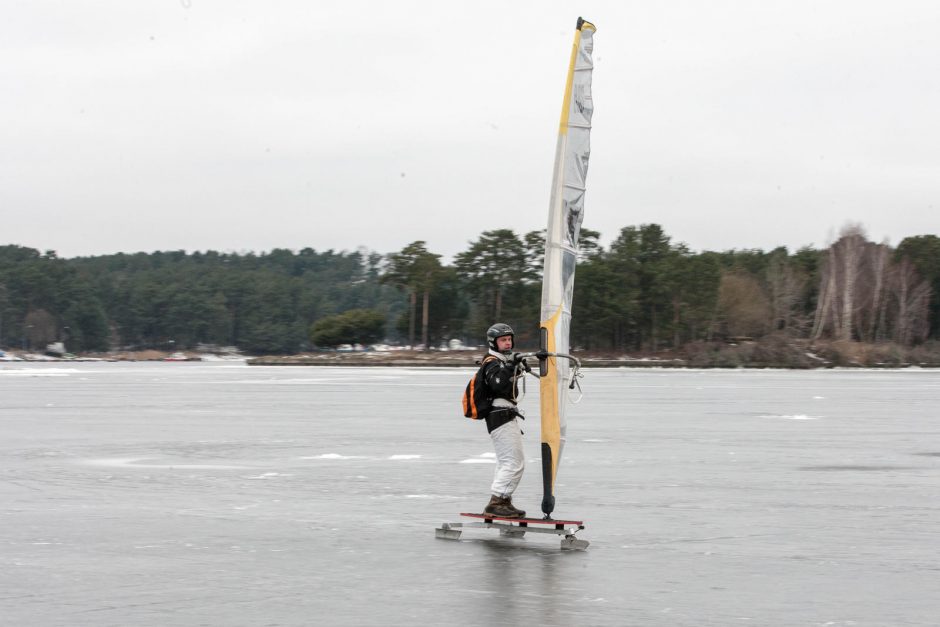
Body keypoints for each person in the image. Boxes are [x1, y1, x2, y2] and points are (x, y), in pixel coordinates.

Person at [477, 322, 531, 518]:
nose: (508, 343)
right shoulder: (491, 362)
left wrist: (520, 363)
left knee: (506, 462)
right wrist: (510, 365)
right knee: (515, 462)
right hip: (499, 415)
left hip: (505, 414)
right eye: (503, 340)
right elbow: (498, 384)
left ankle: (504, 502)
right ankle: (497, 501)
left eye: (509, 339)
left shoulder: (504, 360)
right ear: (494, 342)